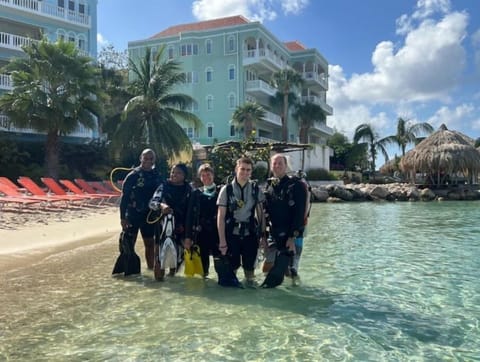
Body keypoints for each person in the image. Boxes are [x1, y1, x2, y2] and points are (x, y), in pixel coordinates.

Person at [217, 157, 265, 287]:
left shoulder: (256, 189)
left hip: (250, 234)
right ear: (236, 169)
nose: (245, 172)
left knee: (250, 270)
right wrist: (222, 242)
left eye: (248, 170)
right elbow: (220, 217)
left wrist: (263, 237)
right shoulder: (226, 190)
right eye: (242, 169)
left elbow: (261, 215)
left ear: (251, 172)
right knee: (232, 269)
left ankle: (251, 296)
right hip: (232, 234)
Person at [262, 153, 307, 287]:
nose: (277, 166)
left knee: (290, 270)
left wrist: (292, 238)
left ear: (286, 166)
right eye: (274, 163)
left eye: (280, 163)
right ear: (271, 166)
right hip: (275, 234)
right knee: (267, 266)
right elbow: (265, 213)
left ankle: (295, 293)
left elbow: (299, 213)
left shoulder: (296, 186)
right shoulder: (270, 186)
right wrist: (263, 235)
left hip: (293, 235)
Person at [117, 148, 162, 271]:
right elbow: (124, 198)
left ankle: (150, 269)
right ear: (140, 158)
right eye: (145, 158)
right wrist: (122, 218)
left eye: (151, 158)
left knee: (150, 244)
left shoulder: (157, 175)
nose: (148, 160)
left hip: (149, 216)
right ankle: (128, 270)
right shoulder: (133, 175)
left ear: (154, 160)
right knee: (129, 244)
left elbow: (162, 194)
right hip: (132, 215)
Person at [149, 163, 192, 281]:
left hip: (180, 227)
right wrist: (161, 205)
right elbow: (152, 203)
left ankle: (172, 282)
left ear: (184, 175)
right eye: (173, 172)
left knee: (177, 260)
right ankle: (159, 286)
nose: (174, 175)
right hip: (163, 227)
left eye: (178, 173)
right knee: (159, 258)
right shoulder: (163, 186)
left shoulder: (189, 189)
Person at [184, 163, 220, 278]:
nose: (206, 178)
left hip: (218, 233)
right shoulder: (196, 193)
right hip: (201, 233)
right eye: (203, 175)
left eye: (208, 175)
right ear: (200, 177)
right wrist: (188, 237)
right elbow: (189, 216)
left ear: (213, 175)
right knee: (203, 268)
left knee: (221, 263)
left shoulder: (221, 191)